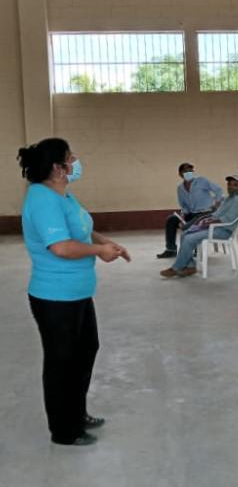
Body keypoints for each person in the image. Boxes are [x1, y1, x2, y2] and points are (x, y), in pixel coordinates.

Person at [17, 138, 131, 446]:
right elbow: (62, 247)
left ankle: (76, 414)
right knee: (61, 362)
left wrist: (106, 242)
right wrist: (99, 251)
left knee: (85, 350)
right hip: (55, 297)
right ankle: (64, 431)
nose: (75, 162)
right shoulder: (42, 200)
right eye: (70, 158)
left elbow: (82, 229)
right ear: (58, 168)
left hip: (76, 293)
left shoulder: (63, 195)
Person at [160, 174, 238, 278]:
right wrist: (209, 218)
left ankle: (176, 268)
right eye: (229, 184)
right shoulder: (229, 198)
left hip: (223, 231)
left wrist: (210, 222)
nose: (231, 187)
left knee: (189, 239)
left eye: (235, 185)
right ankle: (190, 266)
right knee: (185, 233)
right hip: (216, 227)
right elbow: (218, 213)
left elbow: (229, 219)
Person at [156, 162, 223, 259]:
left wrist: (217, 203)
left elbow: (219, 190)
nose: (189, 173)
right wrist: (182, 215)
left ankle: (191, 249)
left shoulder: (202, 181)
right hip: (191, 213)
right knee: (171, 220)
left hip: (206, 213)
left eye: (191, 171)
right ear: (180, 174)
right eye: (186, 171)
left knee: (190, 224)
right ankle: (171, 250)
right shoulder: (180, 188)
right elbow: (183, 206)